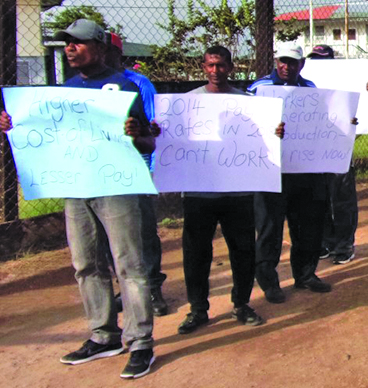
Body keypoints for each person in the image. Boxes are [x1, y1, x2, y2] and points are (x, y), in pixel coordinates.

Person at [0, 19, 156, 378]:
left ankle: (141, 342)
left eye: (79, 43)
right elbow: (42, 137)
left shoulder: (122, 88)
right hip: (77, 189)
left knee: (129, 265)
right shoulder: (64, 93)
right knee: (86, 264)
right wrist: (14, 125)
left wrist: (136, 134)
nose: (70, 48)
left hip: (117, 189)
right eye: (67, 43)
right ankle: (104, 336)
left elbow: (149, 143)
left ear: (100, 47)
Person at [161, 46, 270, 334]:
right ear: (203, 66)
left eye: (221, 65)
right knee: (196, 254)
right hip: (199, 193)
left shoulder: (247, 104)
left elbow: (262, 143)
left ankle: (242, 303)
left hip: (239, 192)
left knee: (243, 251)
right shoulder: (187, 103)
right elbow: (173, 142)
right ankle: (198, 309)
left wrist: (275, 132)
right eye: (210, 65)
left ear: (231, 68)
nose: (215, 71)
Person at [247, 45, 332, 303]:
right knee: (270, 227)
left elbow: (321, 124)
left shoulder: (311, 89)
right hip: (271, 169)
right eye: (283, 61)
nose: (287, 67)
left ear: (301, 64)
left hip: (304, 169)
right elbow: (245, 125)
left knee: (307, 225)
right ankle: (269, 281)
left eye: (293, 62)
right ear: (276, 61)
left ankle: (305, 274)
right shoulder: (258, 89)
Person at [104, 32, 168, 317]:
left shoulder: (138, 83)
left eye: (108, 51)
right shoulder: (81, 86)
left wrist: (153, 164)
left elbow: (153, 126)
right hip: (100, 169)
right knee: (109, 234)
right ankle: (126, 289)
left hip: (137, 165)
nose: (103, 56)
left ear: (119, 54)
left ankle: (153, 287)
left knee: (143, 230)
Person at [307, 45, 359, 265]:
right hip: (312, 150)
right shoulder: (305, 86)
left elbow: (355, 112)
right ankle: (327, 241)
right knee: (320, 199)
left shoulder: (345, 80)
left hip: (339, 148)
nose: (319, 64)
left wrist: (363, 95)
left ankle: (344, 245)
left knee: (342, 199)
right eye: (314, 60)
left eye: (323, 59)